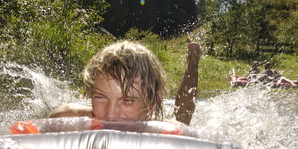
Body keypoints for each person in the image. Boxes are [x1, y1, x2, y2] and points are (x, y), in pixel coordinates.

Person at [49, 40, 201, 125]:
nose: (110, 115)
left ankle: (193, 62)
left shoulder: (170, 132)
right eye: (100, 97)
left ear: (153, 102)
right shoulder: (64, 119)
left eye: (128, 100)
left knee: (182, 118)